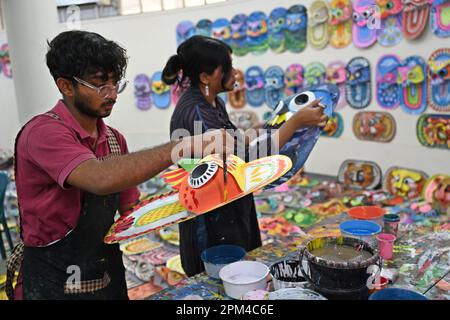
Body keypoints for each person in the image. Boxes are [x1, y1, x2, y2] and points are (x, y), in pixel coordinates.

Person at [8, 30, 231, 300]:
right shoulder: (43, 133)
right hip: (51, 284)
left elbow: (131, 212)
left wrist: (192, 198)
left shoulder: (114, 140)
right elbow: (100, 178)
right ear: (66, 86)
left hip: (104, 278)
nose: (112, 94)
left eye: (116, 84)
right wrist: (183, 146)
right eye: (100, 84)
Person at [163, 35, 328, 277]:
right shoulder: (197, 112)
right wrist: (293, 123)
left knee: (241, 273)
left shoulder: (212, 103)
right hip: (211, 219)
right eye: (227, 67)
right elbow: (244, 162)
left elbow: (237, 142)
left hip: (229, 205)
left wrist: (273, 124)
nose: (234, 72)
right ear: (206, 77)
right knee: (223, 280)